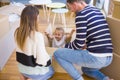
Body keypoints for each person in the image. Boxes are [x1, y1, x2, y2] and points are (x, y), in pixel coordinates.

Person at [54, 0, 113, 80]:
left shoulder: (81, 15)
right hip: (109, 57)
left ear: (74, 4)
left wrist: (64, 46)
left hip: (97, 58)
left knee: (57, 53)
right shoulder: (96, 10)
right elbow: (96, 37)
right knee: (85, 69)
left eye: (69, 7)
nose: (71, 10)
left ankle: (78, 79)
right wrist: (86, 45)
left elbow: (78, 44)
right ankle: (105, 79)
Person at [14, 5, 54, 80]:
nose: (39, 19)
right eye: (38, 17)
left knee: (29, 68)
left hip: (21, 68)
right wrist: (50, 58)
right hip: (32, 71)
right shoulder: (38, 36)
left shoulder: (17, 32)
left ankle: (24, 76)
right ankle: (32, 78)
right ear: (33, 19)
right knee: (51, 71)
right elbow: (42, 60)